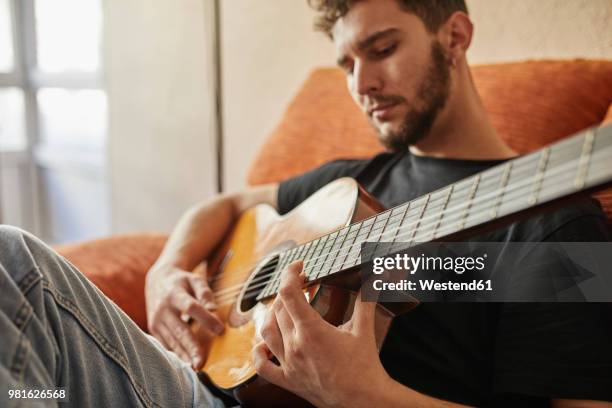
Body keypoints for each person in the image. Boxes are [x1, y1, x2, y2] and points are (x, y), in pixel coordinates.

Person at [1, 1, 610, 408]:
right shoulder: (352, 181)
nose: (361, 84)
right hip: (195, 385)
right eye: (347, 62)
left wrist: (362, 395)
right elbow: (230, 202)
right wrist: (167, 269)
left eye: (382, 47)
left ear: (454, 35)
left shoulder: (564, 230)